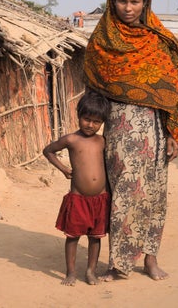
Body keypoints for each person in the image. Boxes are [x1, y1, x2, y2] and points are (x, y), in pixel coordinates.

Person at [83, 0, 178, 281]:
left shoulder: (158, 41)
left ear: (145, 3)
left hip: (153, 130)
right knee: (122, 194)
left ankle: (151, 259)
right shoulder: (101, 41)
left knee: (154, 195)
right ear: (112, 2)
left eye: (134, 1)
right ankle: (118, 263)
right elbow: (94, 90)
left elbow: (174, 89)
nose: (128, 7)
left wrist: (173, 133)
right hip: (119, 131)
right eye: (122, 1)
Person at [42, 91, 112, 286]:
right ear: (78, 115)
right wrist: (64, 169)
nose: (90, 125)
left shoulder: (103, 141)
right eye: (86, 119)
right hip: (78, 198)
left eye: (96, 122)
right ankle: (71, 272)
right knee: (73, 237)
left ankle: (91, 271)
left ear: (102, 123)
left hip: (100, 198)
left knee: (95, 238)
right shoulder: (71, 140)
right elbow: (48, 151)